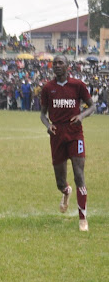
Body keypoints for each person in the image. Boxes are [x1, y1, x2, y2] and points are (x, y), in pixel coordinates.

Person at [39, 55, 96, 231]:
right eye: (54, 63)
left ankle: (82, 219)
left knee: (79, 175)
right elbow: (42, 114)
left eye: (60, 63)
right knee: (60, 182)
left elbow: (92, 106)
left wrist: (81, 116)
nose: (56, 65)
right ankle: (66, 192)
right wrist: (48, 126)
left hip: (75, 134)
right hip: (57, 136)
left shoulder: (78, 85)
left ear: (67, 66)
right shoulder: (48, 88)